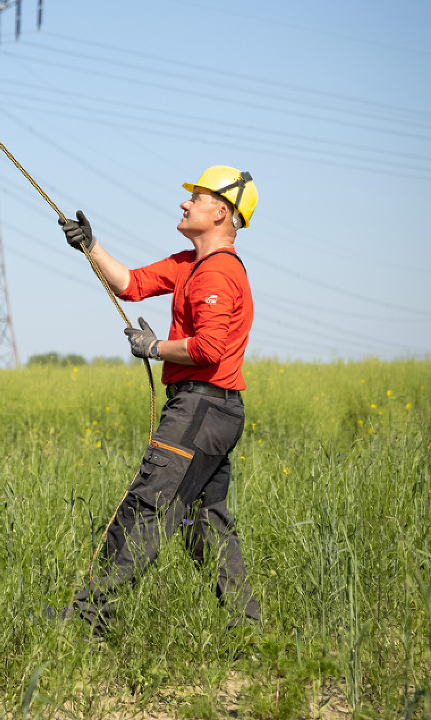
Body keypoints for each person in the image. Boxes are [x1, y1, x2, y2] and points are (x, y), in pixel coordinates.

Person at [59, 165, 260, 636]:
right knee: (202, 522)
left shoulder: (218, 273)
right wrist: (90, 246)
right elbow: (129, 284)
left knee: (147, 504)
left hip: (201, 408)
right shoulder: (189, 263)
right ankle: (248, 630)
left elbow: (207, 348)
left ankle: (90, 619)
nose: (185, 203)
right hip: (213, 410)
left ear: (222, 212)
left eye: (197, 198)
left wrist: (154, 349)